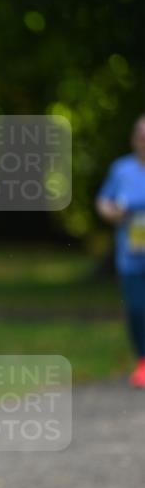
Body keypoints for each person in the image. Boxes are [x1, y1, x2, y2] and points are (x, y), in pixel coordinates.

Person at [96, 115, 145, 388]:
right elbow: (103, 201)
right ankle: (143, 361)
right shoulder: (122, 169)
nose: (144, 139)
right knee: (137, 310)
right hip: (132, 256)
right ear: (133, 138)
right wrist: (113, 212)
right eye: (140, 133)